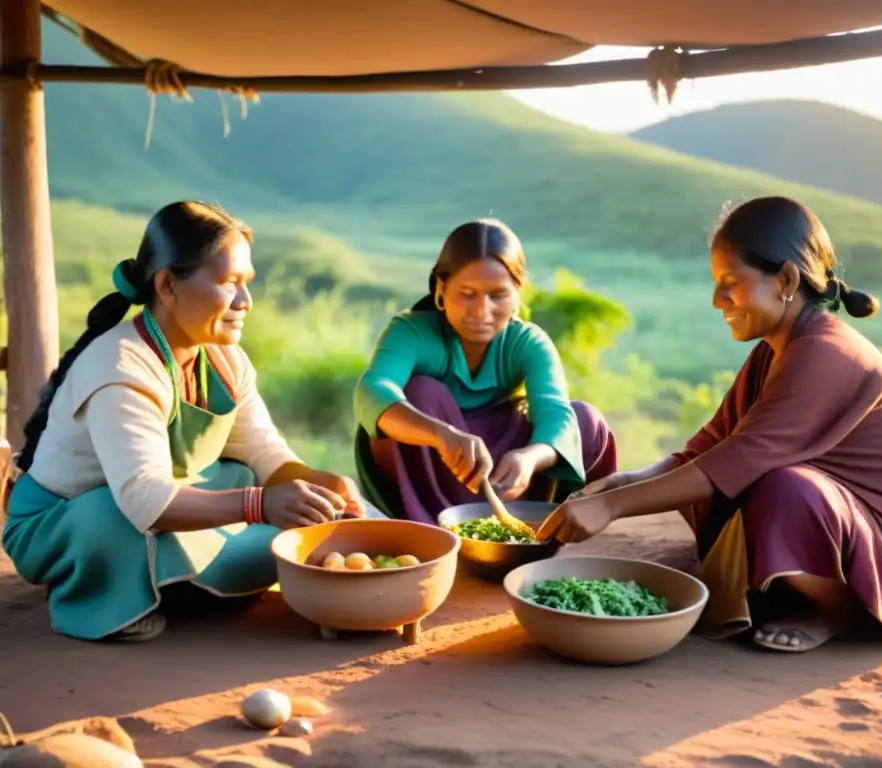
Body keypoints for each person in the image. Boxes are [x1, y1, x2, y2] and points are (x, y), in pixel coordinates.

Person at [538, 196, 882, 653]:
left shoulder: (826, 352)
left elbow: (735, 462)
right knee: (719, 486)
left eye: (730, 283)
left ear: (785, 279)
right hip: (847, 521)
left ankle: (841, 609)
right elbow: (709, 448)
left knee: (780, 488)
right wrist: (625, 482)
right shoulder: (775, 349)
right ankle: (786, 581)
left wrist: (613, 508)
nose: (717, 299)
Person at [2, 201, 373, 644]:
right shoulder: (119, 366)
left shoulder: (223, 358)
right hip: (71, 521)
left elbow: (263, 452)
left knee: (244, 473)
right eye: (228, 283)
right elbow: (143, 498)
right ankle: (109, 593)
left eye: (247, 284)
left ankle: (189, 574)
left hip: (162, 500)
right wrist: (260, 505)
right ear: (167, 285)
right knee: (116, 517)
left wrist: (320, 485)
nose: (245, 301)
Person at [353, 218, 618, 523]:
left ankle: (551, 522)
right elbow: (373, 389)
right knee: (420, 392)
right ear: (441, 287)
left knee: (584, 418)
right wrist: (443, 435)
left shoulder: (527, 342)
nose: (482, 311)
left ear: (518, 292)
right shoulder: (411, 332)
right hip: (439, 465)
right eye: (467, 293)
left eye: (498, 295)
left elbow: (556, 415)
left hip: (508, 475)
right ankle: (434, 528)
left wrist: (529, 459)